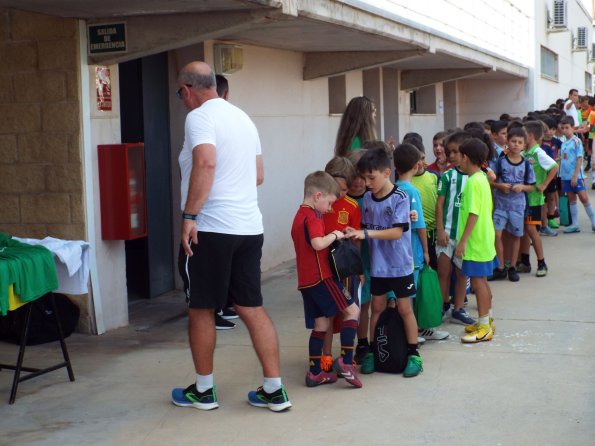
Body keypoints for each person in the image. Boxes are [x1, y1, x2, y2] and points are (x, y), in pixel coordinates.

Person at [171, 61, 291, 412]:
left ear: (189, 89)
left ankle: (203, 391)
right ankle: (274, 389)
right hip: (249, 227)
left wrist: (190, 216)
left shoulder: (199, 118)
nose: (181, 100)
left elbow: (206, 163)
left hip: (211, 228)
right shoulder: (242, 118)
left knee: (201, 307)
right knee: (251, 307)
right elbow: (258, 175)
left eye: (180, 93)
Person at [346, 148, 423, 377]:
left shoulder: (401, 197)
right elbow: (368, 227)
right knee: (376, 309)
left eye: (372, 177)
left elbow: (396, 233)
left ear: (387, 172)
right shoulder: (368, 198)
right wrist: (357, 231)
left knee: (404, 308)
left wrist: (366, 234)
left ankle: (414, 354)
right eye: (364, 178)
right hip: (379, 266)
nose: (368, 183)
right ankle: (372, 351)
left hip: (400, 265)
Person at [291, 171, 362, 388]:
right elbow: (317, 244)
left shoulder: (298, 215)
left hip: (306, 282)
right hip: (322, 278)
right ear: (318, 196)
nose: (331, 208)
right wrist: (335, 235)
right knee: (353, 311)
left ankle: (315, 373)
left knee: (321, 324)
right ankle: (347, 361)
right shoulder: (312, 216)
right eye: (329, 202)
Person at [395, 143, 449, 341]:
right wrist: (426, 251)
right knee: (412, 293)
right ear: (416, 165)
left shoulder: (394, 188)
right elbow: (420, 226)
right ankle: (414, 331)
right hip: (413, 252)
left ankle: (419, 329)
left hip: (399, 252)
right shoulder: (411, 191)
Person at [453, 138, 498, 343]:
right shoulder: (481, 178)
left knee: (478, 283)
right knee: (483, 281)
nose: (457, 160)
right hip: (484, 239)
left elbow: (473, 214)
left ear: (466, 157)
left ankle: (484, 326)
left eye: (459, 156)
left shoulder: (473, 181)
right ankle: (486, 321)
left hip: (475, 241)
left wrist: (462, 242)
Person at [320, 156, 362, 372]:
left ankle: (347, 356)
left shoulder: (352, 206)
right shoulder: (317, 204)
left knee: (349, 312)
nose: (342, 193)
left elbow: (357, 240)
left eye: (346, 189)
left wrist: (359, 269)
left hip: (344, 267)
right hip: (322, 269)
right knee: (327, 314)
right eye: (339, 188)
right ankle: (325, 356)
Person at [436, 132, 475, 326]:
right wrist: (440, 229)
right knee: (443, 271)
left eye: (455, 152)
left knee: (462, 273)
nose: (451, 155)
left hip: (463, 237)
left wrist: (467, 238)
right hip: (447, 235)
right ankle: (444, 306)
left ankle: (458, 309)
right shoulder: (446, 176)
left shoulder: (475, 178)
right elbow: (440, 204)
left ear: (465, 154)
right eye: (448, 151)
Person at [489, 127, 536, 282]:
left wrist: (521, 187)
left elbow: (531, 186)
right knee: (497, 234)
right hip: (500, 205)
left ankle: (513, 267)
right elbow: (491, 181)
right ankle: (501, 267)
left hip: (517, 207)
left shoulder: (527, 164)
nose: (516, 144)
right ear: (507, 143)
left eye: (519, 142)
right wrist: (499, 186)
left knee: (516, 236)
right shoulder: (500, 162)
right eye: (513, 141)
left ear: (524, 145)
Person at [516, 121, 558, 278]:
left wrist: (545, 184)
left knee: (532, 231)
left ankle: (542, 263)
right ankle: (525, 262)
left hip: (534, 200)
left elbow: (554, 166)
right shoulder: (525, 152)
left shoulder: (538, 152)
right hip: (523, 198)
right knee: (525, 231)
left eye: (523, 135)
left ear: (530, 136)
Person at [558, 116, 595, 233]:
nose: (565, 130)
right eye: (563, 128)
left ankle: (594, 221)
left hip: (576, 176)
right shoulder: (563, 143)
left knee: (583, 197)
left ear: (573, 128)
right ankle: (574, 224)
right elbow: (562, 158)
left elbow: (579, 159)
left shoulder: (576, 141)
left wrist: (575, 176)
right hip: (565, 177)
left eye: (567, 128)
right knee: (571, 199)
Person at [409, 137, 440, 270]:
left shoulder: (435, 176)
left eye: (422, 158)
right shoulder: (406, 181)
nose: (420, 163)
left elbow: (441, 204)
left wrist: (441, 229)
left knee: (435, 267)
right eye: (415, 159)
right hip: (415, 233)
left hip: (434, 233)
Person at [540, 116, 562, 234]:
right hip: (543, 177)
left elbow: (564, 149)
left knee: (552, 196)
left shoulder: (557, 142)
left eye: (553, 129)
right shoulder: (540, 144)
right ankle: (544, 222)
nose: (550, 132)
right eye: (547, 129)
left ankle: (551, 217)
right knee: (543, 200)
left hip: (553, 176)